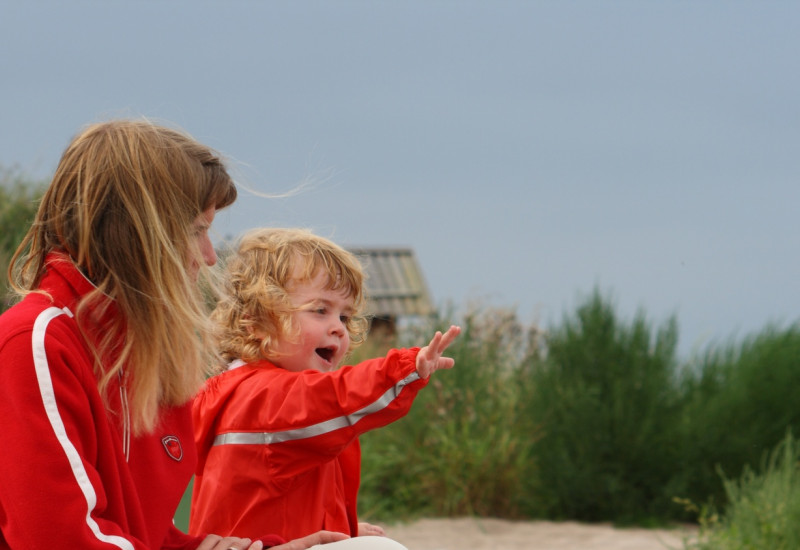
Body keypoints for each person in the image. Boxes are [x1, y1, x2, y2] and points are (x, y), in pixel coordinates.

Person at [0, 120, 358, 550]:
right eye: (196, 231)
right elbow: (58, 539)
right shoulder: (37, 344)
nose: (209, 258)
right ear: (137, 234)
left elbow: (144, 535)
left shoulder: (140, 355)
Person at [188, 227, 461, 543]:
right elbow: (338, 397)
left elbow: (292, 501)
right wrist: (405, 368)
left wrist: (348, 527)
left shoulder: (238, 394)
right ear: (258, 322)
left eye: (345, 317)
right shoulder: (265, 399)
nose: (338, 329)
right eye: (320, 310)